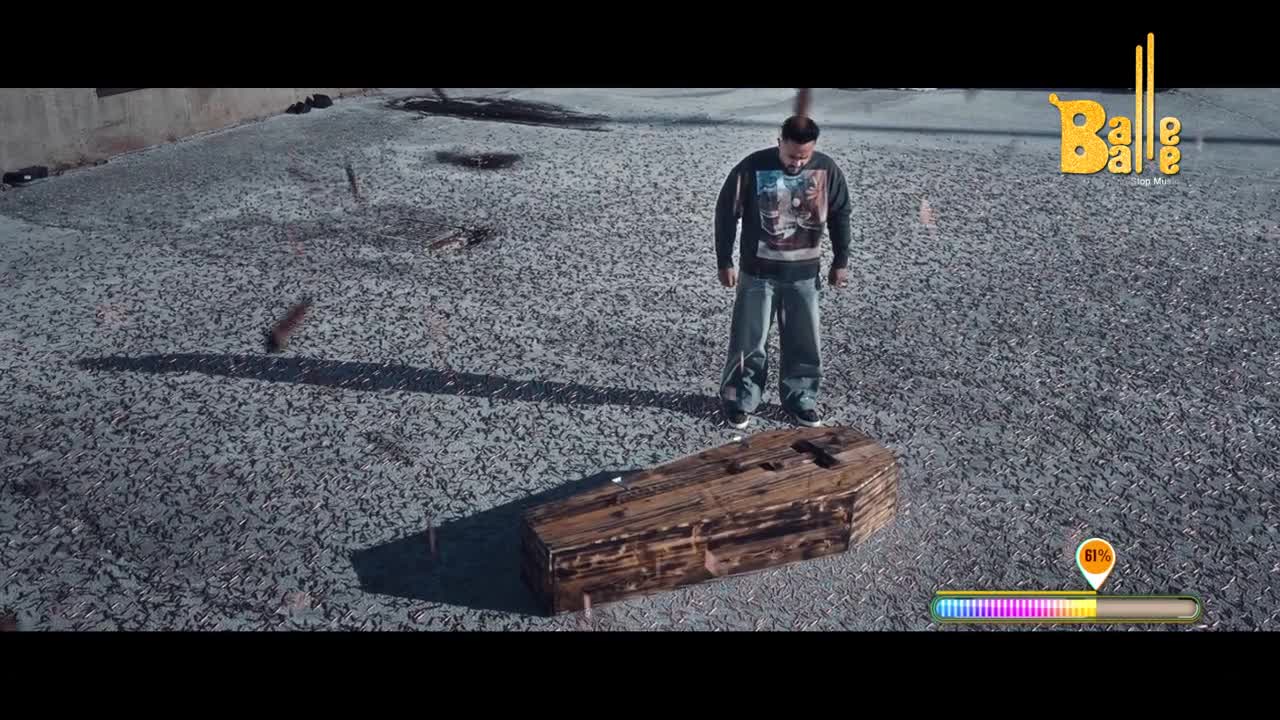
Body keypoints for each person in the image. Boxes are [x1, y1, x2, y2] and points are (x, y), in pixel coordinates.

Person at [714, 114, 852, 429]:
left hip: (803, 275)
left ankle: (801, 400)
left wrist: (840, 261)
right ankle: (739, 400)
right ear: (779, 143)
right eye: (791, 157)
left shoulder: (826, 169)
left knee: (805, 343)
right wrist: (725, 260)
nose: (797, 164)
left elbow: (840, 214)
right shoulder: (752, 167)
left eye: (804, 157)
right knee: (749, 343)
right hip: (757, 273)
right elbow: (726, 213)